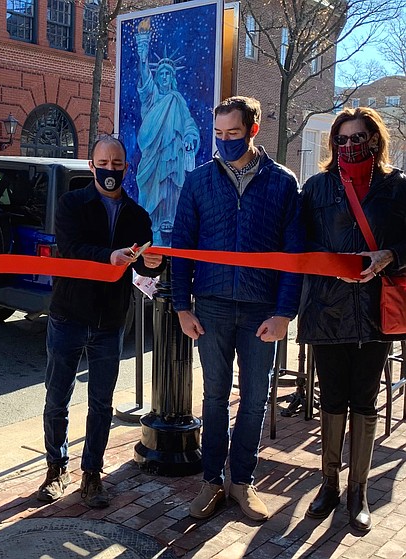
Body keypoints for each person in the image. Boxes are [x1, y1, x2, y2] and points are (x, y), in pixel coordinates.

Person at [171, 96, 303, 521]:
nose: (226, 140)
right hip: (210, 306)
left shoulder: (283, 182)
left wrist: (285, 313)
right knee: (213, 397)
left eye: (234, 132)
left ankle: (241, 482)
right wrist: (181, 306)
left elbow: (294, 253)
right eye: (220, 134)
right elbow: (182, 248)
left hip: (261, 310)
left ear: (253, 130)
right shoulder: (198, 181)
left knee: (254, 399)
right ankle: (212, 481)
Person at [37, 135, 165, 508]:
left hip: (110, 320)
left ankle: (92, 473)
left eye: (118, 163)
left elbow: (142, 263)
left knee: (102, 403)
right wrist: (107, 256)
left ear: (128, 166)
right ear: (91, 165)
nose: (111, 170)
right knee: (57, 397)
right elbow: (72, 248)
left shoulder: (138, 215)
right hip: (68, 314)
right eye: (103, 163)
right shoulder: (72, 204)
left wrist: (152, 263)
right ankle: (56, 468)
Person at [298, 107, 406, 532]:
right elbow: (298, 240)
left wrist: (392, 254)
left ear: (375, 140)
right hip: (328, 309)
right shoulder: (317, 187)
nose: (349, 146)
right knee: (331, 398)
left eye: (357, 138)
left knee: (364, 400)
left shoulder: (398, 187)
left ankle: (358, 490)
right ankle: (329, 484)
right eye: (341, 140)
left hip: (378, 312)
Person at [135, 21, 200, 247]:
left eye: (167, 74)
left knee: (171, 192)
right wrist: (143, 52)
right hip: (153, 156)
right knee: (151, 192)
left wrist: (191, 139)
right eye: (160, 73)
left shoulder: (177, 99)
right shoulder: (152, 97)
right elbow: (145, 78)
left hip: (172, 157)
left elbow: (189, 124)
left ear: (172, 77)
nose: (163, 77)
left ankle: (168, 227)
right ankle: (150, 228)